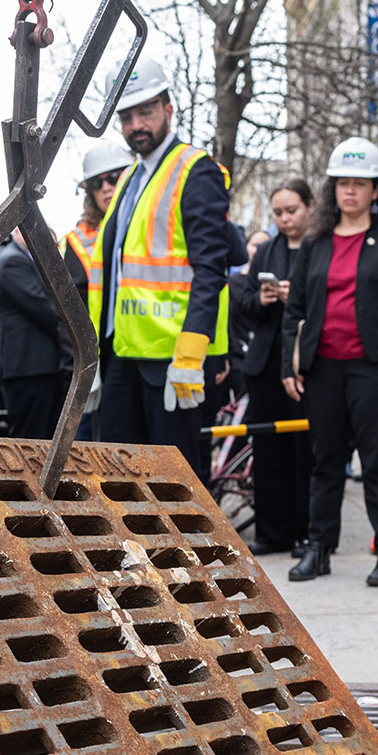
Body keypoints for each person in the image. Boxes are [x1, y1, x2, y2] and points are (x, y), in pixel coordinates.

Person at [281, 138, 378, 587]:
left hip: (375, 368)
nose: (350, 191)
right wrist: (289, 365)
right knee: (326, 461)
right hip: (323, 367)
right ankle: (319, 549)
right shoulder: (316, 240)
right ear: (332, 188)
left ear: (376, 190)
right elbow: (295, 306)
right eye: (343, 183)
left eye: (360, 184)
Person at [87, 57, 231, 477]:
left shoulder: (195, 170)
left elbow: (211, 269)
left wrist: (190, 354)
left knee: (176, 485)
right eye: (126, 116)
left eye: (146, 111)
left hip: (172, 361)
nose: (136, 125)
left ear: (169, 109)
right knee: (121, 482)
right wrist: (94, 355)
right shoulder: (131, 178)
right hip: (122, 356)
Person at [233, 178, 314, 556]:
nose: (285, 219)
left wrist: (295, 297)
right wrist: (263, 298)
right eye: (278, 212)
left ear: (310, 207)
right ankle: (270, 531)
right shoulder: (266, 251)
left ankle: (305, 532)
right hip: (265, 362)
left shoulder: (320, 246)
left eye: (292, 210)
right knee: (267, 450)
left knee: (305, 449)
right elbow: (244, 305)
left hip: (304, 362)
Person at [0, 228, 72, 439]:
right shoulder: (13, 261)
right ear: (15, 231)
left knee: (43, 437)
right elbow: (44, 308)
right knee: (30, 438)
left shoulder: (24, 259)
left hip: (37, 367)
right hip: (28, 368)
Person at [64, 142, 132, 296]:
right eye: (96, 183)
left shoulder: (153, 220)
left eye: (113, 178)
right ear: (90, 193)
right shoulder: (78, 241)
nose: (105, 188)